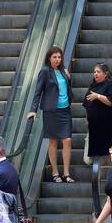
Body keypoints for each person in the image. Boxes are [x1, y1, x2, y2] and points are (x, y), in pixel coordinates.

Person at [27, 46, 75, 183]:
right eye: (54, 57)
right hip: (51, 111)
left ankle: (66, 172)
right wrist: (33, 110)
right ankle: (55, 172)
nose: (57, 59)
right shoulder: (45, 71)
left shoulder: (63, 71)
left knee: (67, 140)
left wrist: (68, 78)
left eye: (59, 57)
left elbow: (66, 88)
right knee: (53, 141)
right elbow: (38, 91)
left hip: (65, 110)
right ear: (49, 58)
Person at [83, 63, 112, 170]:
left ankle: (104, 169)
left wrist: (98, 96)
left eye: (98, 72)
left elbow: (111, 102)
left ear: (105, 74)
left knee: (105, 150)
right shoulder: (92, 86)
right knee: (91, 155)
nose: (95, 74)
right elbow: (87, 105)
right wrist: (87, 119)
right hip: (93, 124)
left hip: (107, 125)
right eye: (94, 72)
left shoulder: (111, 85)